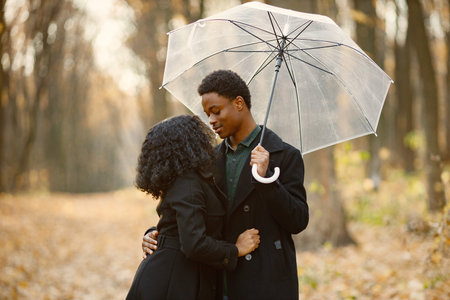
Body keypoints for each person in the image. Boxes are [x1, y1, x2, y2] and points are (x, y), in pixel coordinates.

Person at [142, 70, 308, 299]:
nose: (211, 121)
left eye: (216, 111)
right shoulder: (206, 159)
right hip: (218, 280)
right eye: (207, 114)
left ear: (239, 103)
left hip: (266, 281)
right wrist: (157, 234)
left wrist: (266, 180)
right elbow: (187, 207)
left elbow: (298, 220)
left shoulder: (284, 155)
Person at [126, 115, 260, 300]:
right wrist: (235, 250)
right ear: (191, 143)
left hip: (180, 276)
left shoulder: (193, 179)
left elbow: (175, 225)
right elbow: (193, 243)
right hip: (171, 281)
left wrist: (153, 233)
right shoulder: (187, 183)